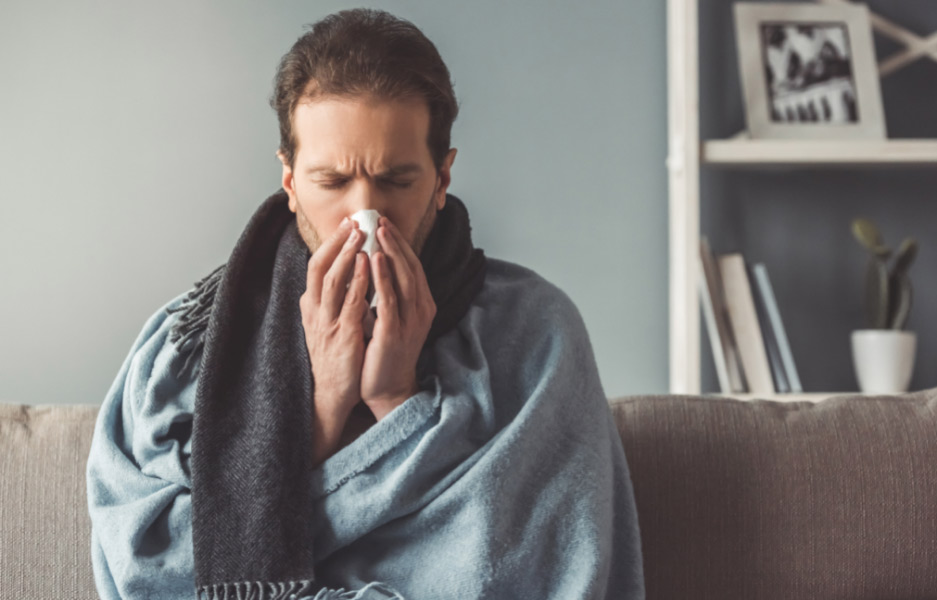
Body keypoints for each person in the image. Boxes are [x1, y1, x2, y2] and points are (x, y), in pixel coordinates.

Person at [86, 8, 645, 600]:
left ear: (442, 177)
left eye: (397, 181)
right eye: (331, 182)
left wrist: (395, 401)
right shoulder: (185, 346)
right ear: (290, 179)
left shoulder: (536, 336)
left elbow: (546, 570)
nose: (365, 216)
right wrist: (323, 407)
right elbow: (149, 566)